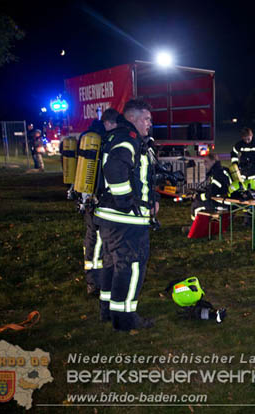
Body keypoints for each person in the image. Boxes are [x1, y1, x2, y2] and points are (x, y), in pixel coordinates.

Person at [94, 100, 158, 331]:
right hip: (125, 220)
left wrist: (152, 200)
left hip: (108, 218)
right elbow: (114, 170)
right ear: (132, 118)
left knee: (112, 265)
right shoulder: (128, 139)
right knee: (131, 268)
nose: (150, 123)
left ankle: (108, 312)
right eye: (146, 119)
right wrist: (126, 203)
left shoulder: (115, 137)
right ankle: (125, 319)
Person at [79, 108, 119, 297]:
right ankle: (93, 282)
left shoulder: (91, 139)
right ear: (108, 123)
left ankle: (97, 280)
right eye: (115, 125)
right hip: (95, 201)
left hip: (93, 200)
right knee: (95, 242)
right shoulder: (100, 141)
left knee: (97, 241)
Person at [190, 153, 233, 220]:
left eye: (206, 161)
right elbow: (215, 188)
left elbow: (211, 193)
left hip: (221, 203)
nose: (204, 164)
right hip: (225, 200)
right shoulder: (222, 170)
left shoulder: (217, 174)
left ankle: (195, 227)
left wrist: (198, 197)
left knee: (196, 205)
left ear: (213, 161)